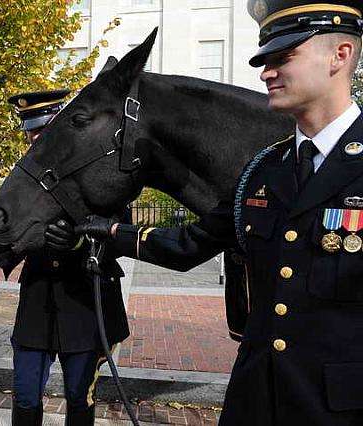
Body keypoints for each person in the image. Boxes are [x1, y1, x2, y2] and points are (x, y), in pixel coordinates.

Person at [78, 2, 363, 425]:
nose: (266, 72)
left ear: (340, 55)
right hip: (254, 402)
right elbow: (191, 243)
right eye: (264, 61)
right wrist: (110, 231)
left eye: (283, 58)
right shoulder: (265, 169)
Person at [0, 90, 130, 425]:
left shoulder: (97, 171)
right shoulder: (23, 181)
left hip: (84, 306)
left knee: (78, 396)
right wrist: (16, 243)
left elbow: (120, 234)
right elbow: (0, 244)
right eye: (31, 132)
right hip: (37, 306)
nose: (35, 138)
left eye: (44, 130)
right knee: (26, 392)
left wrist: (79, 243)